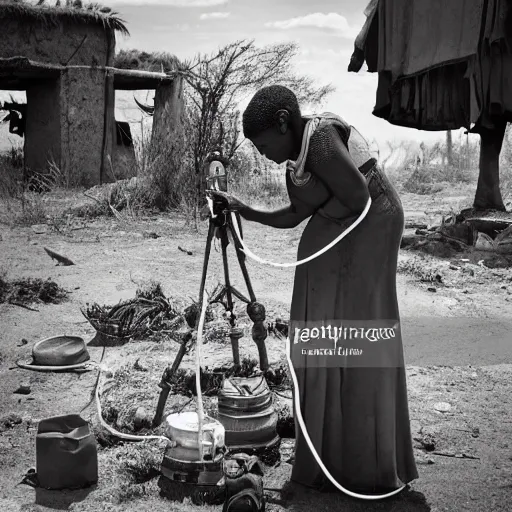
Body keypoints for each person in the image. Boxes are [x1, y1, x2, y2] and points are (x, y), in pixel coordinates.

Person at [208, 85, 418, 494]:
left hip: (372, 224)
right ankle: (331, 450)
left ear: (285, 121)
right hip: (345, 228)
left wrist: (315, 217)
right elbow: (294, 216)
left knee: (358, 330)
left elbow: (357, 198)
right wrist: (241, 208)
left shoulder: (319, 139)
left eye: (265, 143)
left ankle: (364, 459)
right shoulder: (295, 160)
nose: (264, 153)